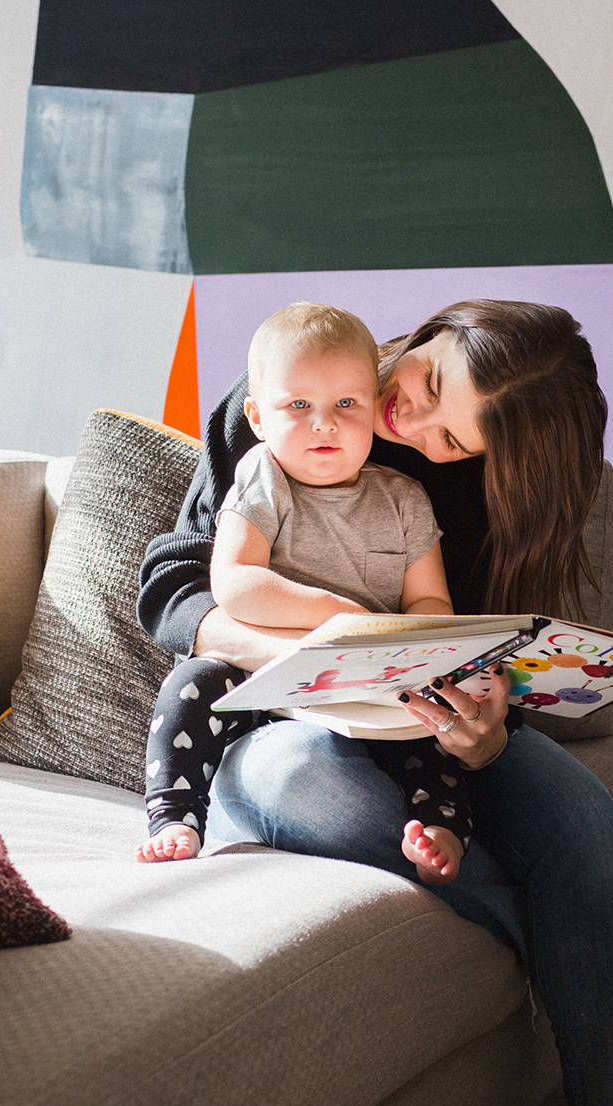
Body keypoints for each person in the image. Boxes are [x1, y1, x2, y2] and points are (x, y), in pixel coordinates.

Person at [139, 300, 613, 1106]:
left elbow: (480, 646)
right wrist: (281, 639)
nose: (404, 420)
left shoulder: (482, 488)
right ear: (427, 333)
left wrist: (483, 727)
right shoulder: (289, 397)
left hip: (426, 727)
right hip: (281, 719)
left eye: (447, 435)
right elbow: (173, 587)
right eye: (421, 385)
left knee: (574, 813)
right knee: (314, 786)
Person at [135, 303, 472, 886]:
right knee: (192, 682)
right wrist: (331, 615)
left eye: (347, 405)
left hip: (371, 681)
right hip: (264, 687)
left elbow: (430, 603)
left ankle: (440, 829)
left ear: (373, 404)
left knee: (436, 725)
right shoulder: (261, 474)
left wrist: (419, 646)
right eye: (299, 407)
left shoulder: (405, 497)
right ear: (258, 417)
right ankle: (176, 816)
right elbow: (236, 583)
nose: (325, 424)